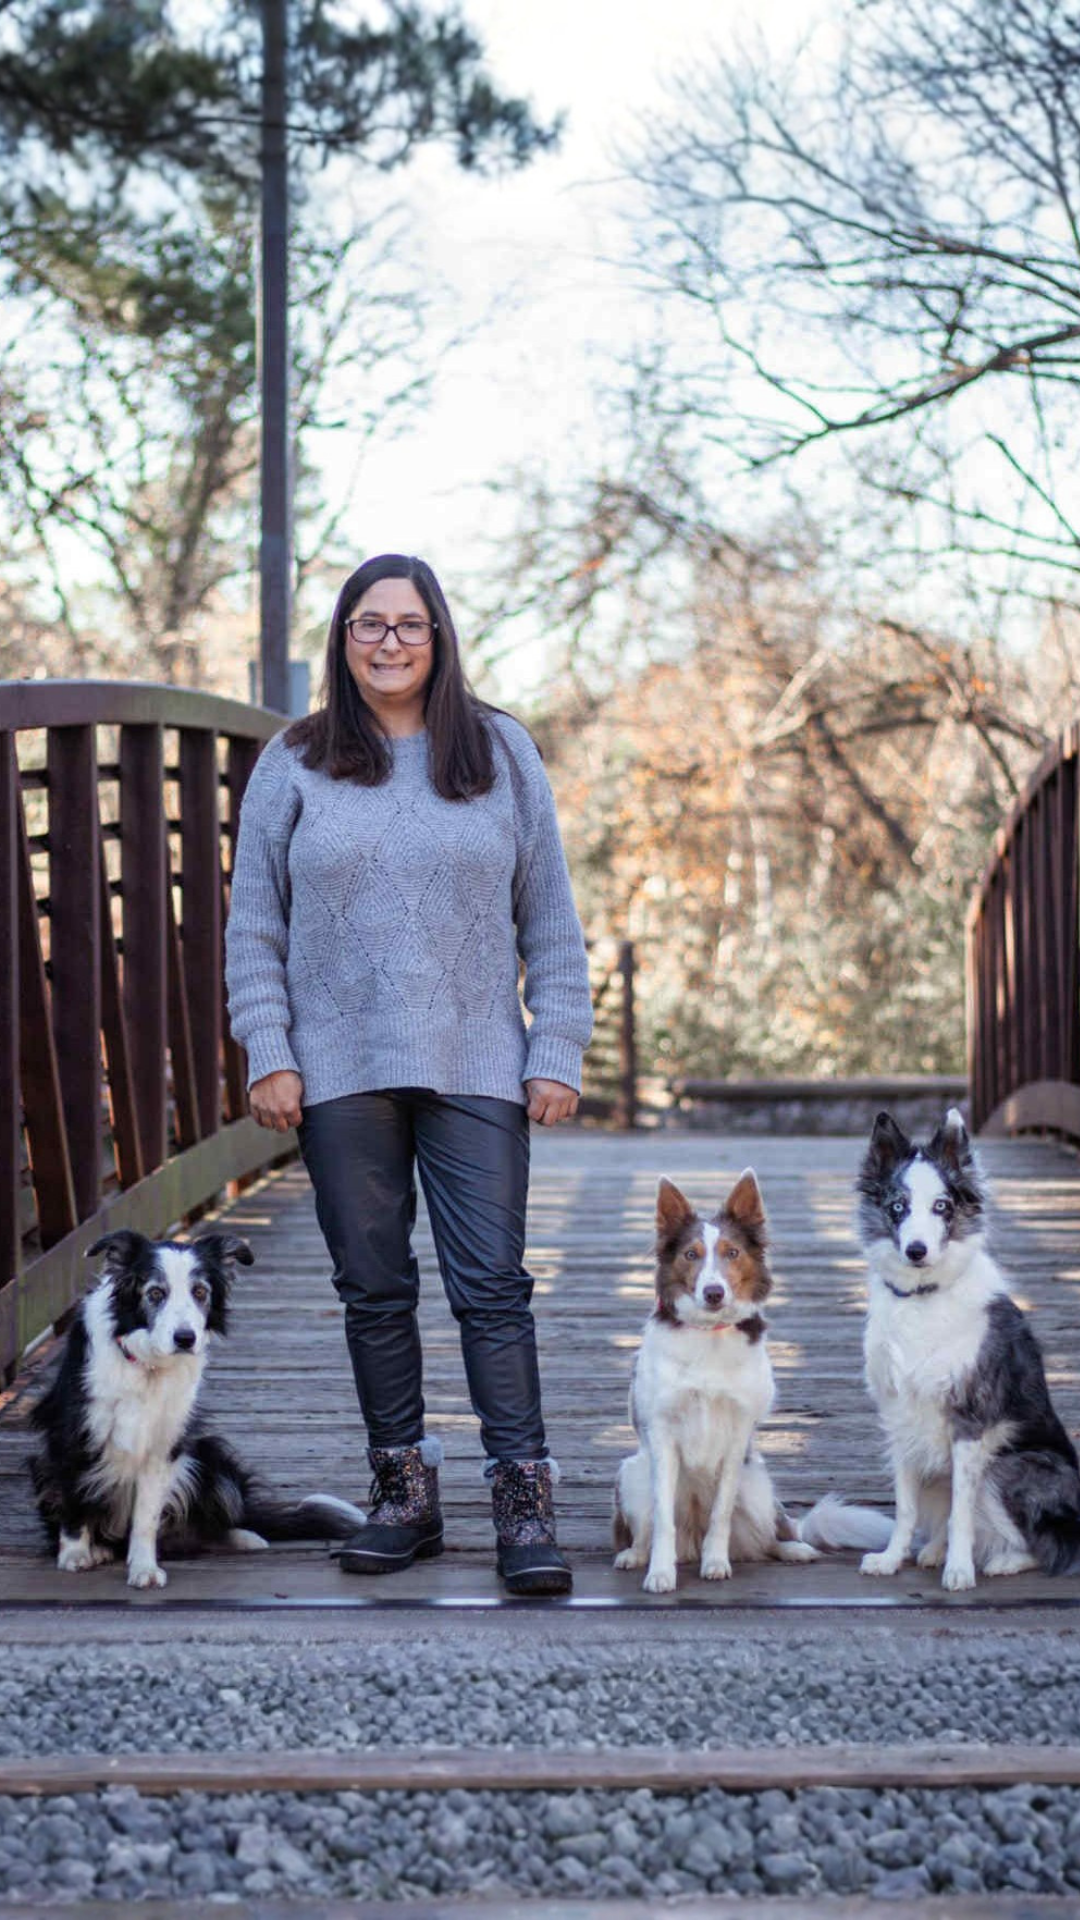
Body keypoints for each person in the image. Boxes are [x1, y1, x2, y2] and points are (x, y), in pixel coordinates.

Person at [225, 553, 593, 1595]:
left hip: (478, 1055)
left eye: (410, 625)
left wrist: (555, 1046)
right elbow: (254, 927)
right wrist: (272, 1052)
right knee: (373, 1287)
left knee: (493, 1285)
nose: (390, 642)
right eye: (368, 625)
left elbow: (550, 917)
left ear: (440, 637)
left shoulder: (502, 752)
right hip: (338, 1067)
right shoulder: (293, 762)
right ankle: (404, 1497)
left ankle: (523, 1505)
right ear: (342, 641)